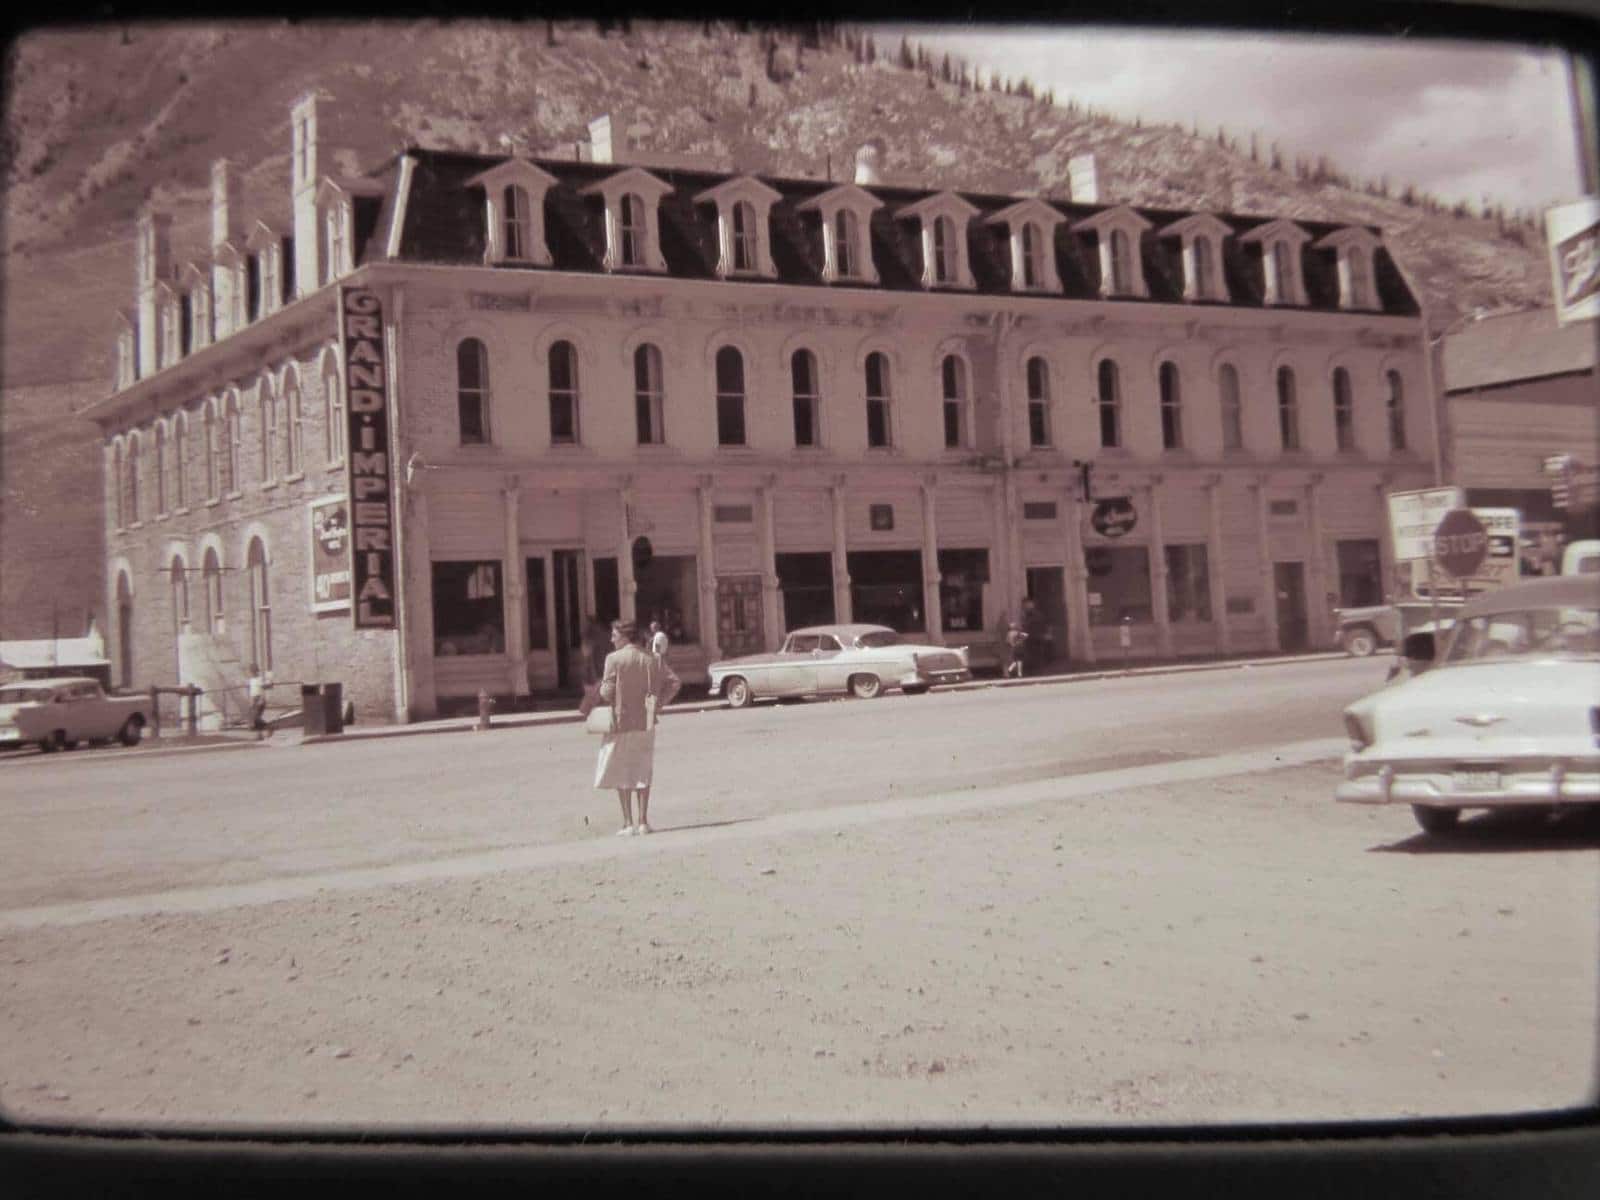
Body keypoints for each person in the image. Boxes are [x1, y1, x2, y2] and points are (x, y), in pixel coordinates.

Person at [595, 619, 681, 836]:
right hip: (647, 719)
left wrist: (603, 689)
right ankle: (643, 822)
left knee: (621, 770)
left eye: (614, 635)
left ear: (624, 637)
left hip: (620, 721)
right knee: (643, 769)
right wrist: (658, 703)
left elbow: (606, 693)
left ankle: (627, 823)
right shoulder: (652, 659)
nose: (611, 639)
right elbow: (674, 683)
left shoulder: (613, 659)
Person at [246, 663, 270, 739]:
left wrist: (261, 699)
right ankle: (260, 735)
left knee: (256, 717)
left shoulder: (259, 679)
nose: (253, 673)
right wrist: (250, 701)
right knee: (254, 719)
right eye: (251, 671)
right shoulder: (250, 680)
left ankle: (268, 727)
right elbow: (250, 691)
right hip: (254, 699)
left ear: (256, 671)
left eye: (254, 671)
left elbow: (263, 689)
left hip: (259, 699)